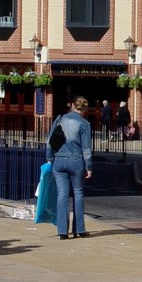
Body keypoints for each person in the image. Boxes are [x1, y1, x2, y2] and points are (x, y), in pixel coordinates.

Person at [47, 95, 93, 240]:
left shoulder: (60, 119)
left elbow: (49, 142)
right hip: (76, 162)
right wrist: (89, 166)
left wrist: (50, 159)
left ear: (72, 105)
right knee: (78, 194)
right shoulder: (84, 124)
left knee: (62, 195)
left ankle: (62, 231)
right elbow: (86, 149)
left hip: (59, 162)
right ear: (84, 108)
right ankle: (79, 229)